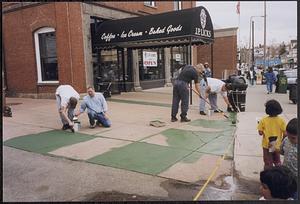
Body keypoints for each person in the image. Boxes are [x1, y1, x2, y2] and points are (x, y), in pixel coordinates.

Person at [257, 100, 286, 170]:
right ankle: (279, 175)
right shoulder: (281, 120)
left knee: (268, 162)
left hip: (267, 145)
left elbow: (260, 133)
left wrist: (263, 131)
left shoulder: (263, 120)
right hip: (277, 145)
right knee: (277, 161)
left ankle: (268, 176)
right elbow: (285, 133)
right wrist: (282, 142)